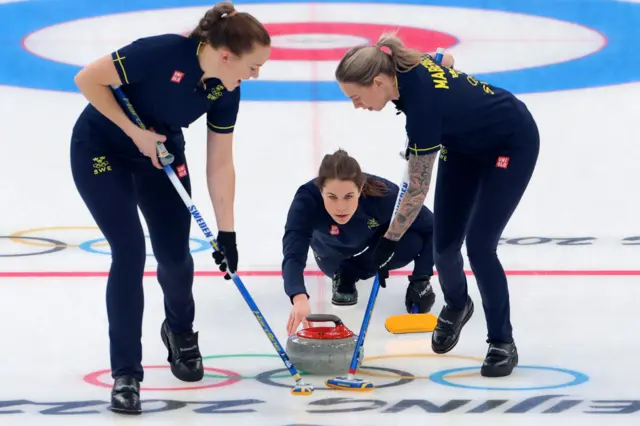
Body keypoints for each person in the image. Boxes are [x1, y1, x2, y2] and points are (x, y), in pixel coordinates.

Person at [70, 2, 270, 414]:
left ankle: (179, 331)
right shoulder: (160, 53)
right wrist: (133, 131)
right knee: (129, 251)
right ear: (226, 55)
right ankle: (126, 373)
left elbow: (220, 163)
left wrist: (226, 233)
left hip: (160, 155)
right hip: (102, 150)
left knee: (176, 257)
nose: (254, 76)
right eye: (252, 67)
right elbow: (88, 79)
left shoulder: (225, 90)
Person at [334, 33, 540, 378]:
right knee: (444, 248)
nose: (356, 105)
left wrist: (390, 239)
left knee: (479, 246)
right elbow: (445, 59)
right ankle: (458, 303)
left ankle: (502, 342)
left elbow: (417, 189)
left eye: (356, 97)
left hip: (509, 143)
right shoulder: (403, 65)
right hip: (462, 147)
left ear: (379, 82)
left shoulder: (423, 113)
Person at [282, 149, 436, 336]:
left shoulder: (383, 196)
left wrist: (421, 279)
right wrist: (298, 297)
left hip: (373, 251)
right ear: (320, 190)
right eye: (331, 197)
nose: (341, 207)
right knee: (335, 264)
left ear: (361, 189)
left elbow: (433, 228)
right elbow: (293, 253)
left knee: (413, 240)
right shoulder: (306, 201)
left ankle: (353, 271)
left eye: (348, 196)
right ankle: (344, 274)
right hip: (330, 258)